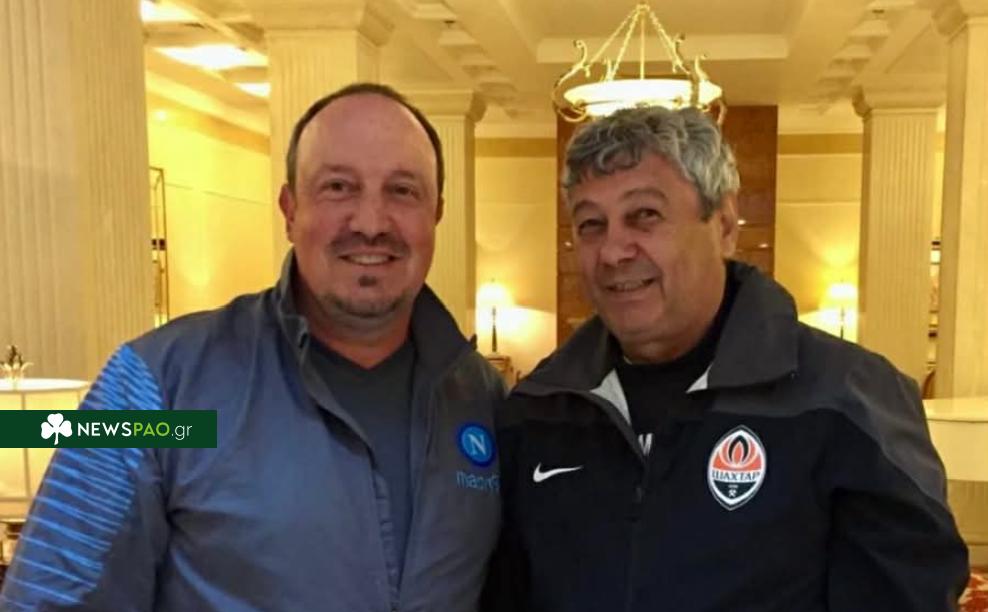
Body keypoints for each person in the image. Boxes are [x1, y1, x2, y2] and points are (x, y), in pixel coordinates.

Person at [1, 83, 504, 611]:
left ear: (436, 214)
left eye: (403, 191)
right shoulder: (155, 390)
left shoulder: (479, 398)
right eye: (338, 187)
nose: (371, 223)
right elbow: (42, 600)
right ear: (290, 210)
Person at [483, 106, 969, 611]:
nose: (613, 251)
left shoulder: (846, 398)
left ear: (725, 225)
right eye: (590, 225)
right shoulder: (537, 410)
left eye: (644, 215)